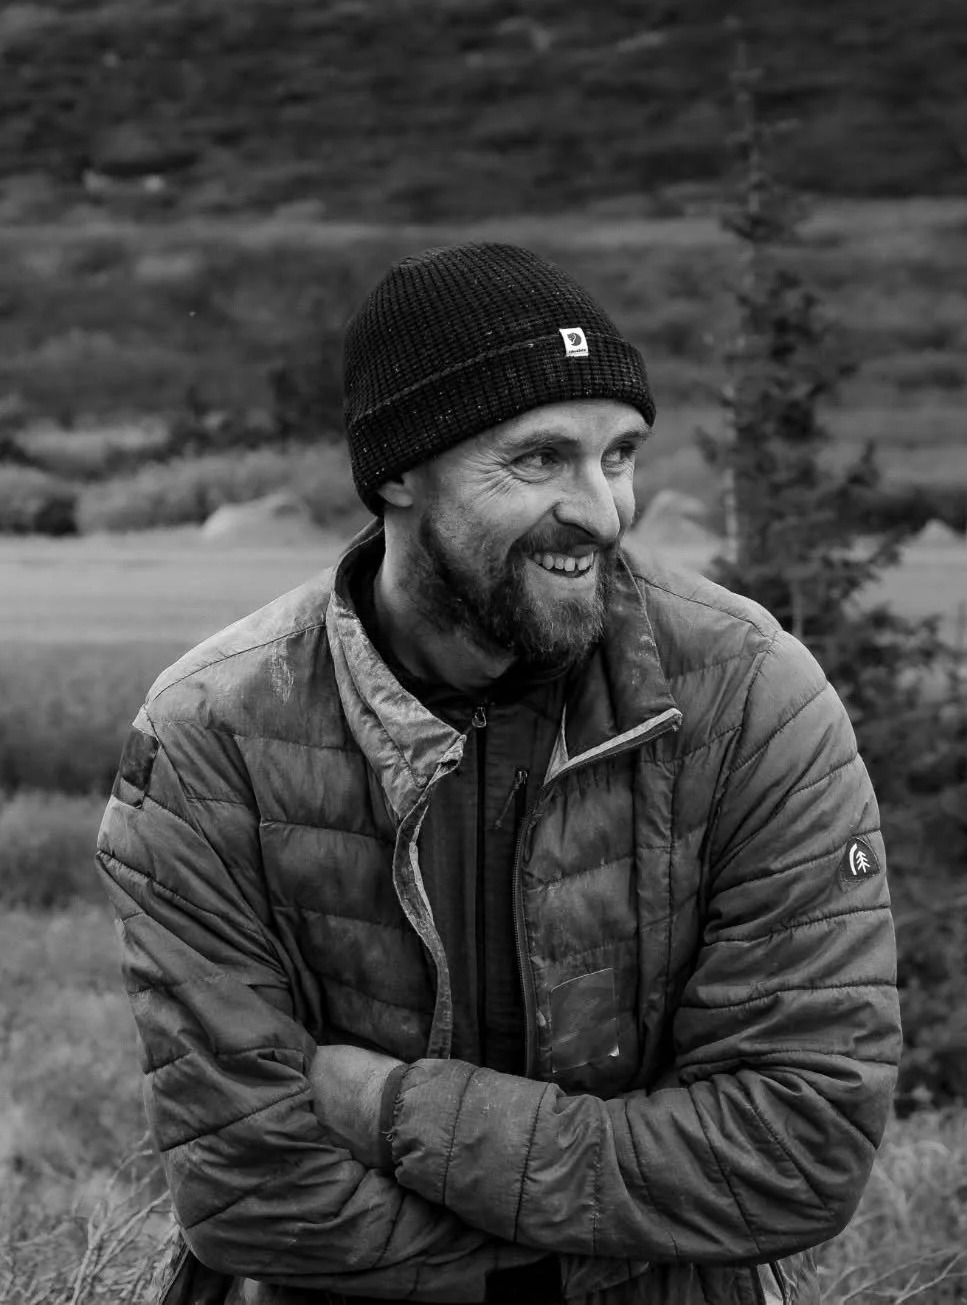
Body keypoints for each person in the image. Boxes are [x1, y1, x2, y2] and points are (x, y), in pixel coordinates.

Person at [96, 242, 901, 1305]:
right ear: (397, 471)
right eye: (539, 460)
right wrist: (621, 1234)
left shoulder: (751, 696)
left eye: (618, 455)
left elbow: (797, 1151)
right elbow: (254, 1186)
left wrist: (392, 1109)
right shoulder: (210, 736)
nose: (604, 511)